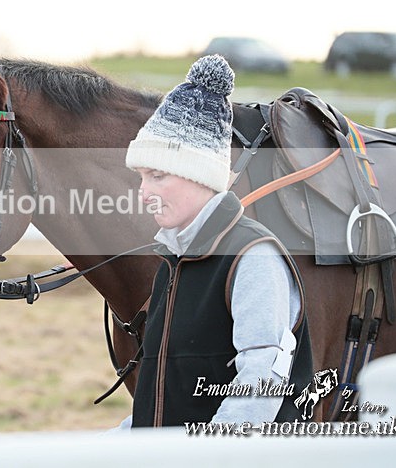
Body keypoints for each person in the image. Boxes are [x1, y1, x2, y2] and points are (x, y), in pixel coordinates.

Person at [122, 55, 313, 427]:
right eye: (142, 177)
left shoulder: (252, 257)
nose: (144, 193)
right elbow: (158, 406)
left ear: (200, 176)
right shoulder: (171, 263)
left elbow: (261, 383)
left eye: (157, 176)